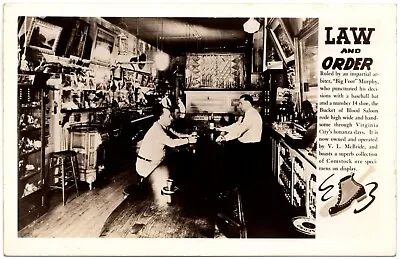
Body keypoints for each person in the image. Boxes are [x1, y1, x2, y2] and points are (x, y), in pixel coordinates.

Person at [214, 94, 263, 216]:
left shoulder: (252, 116)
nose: (239, 106)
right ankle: (238, 203)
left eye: (241, 103)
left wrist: (224, 138)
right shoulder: (247, 115)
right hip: (246, 148)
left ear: (247, 103)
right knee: (240, 176)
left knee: (245, 178)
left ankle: (242, 210)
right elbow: (237, 126)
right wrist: (221, 129)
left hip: (251, 149)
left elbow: (239, 131)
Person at [135, 105, 197, 180]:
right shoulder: (157, 130)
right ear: (161, 117)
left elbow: (177, 135)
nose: (171, 118)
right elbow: (172, 143)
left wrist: (189, 136)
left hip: (155, 162)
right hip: (147, 165)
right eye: (169, 116)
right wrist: (189, 140)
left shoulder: (163, 126)